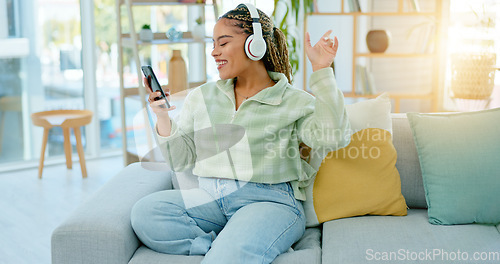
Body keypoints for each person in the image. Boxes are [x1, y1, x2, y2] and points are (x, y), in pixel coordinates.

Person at [131, 3, 351, 263]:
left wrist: (322, 71)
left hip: (268, 202)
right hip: (210, 199)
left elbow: (334, 138)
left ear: (254, 45)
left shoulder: (294, 100)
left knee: (227, 257)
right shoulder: (203, 96)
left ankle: (238, 245)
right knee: (146, 212)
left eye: (223, 43)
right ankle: (221, 245)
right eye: (213, 44)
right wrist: (162, 116)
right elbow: (181, 160)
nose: (214, 52)